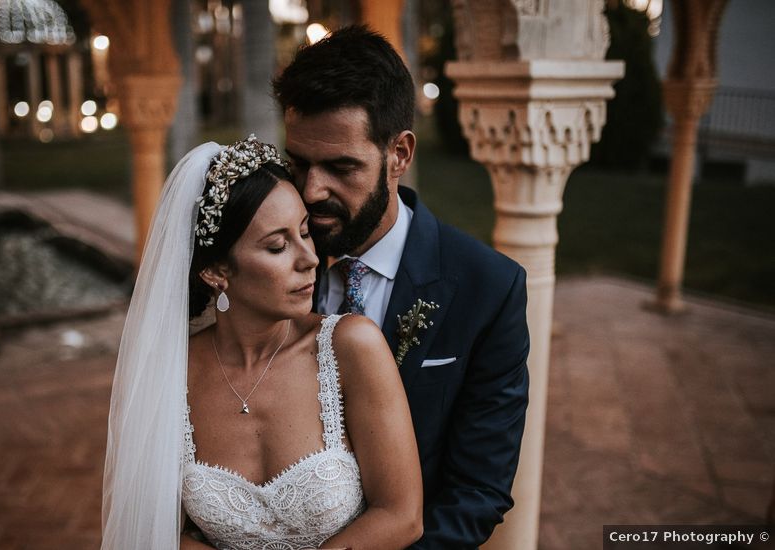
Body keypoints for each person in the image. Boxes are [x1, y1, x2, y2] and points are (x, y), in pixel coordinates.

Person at [273, 26, 530, 549]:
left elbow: (477, 491)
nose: (310, 190)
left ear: (399, 154)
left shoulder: (489, 289)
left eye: (341, 167)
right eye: (298, 163)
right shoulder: (268, 263)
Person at [100, 136, 423, 549]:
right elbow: (154, 525)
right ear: (216, 271)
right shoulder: (171, 372)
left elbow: (401, 515)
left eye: (305, 233)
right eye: (277, 245)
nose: (308, 258)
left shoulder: (351, 346)